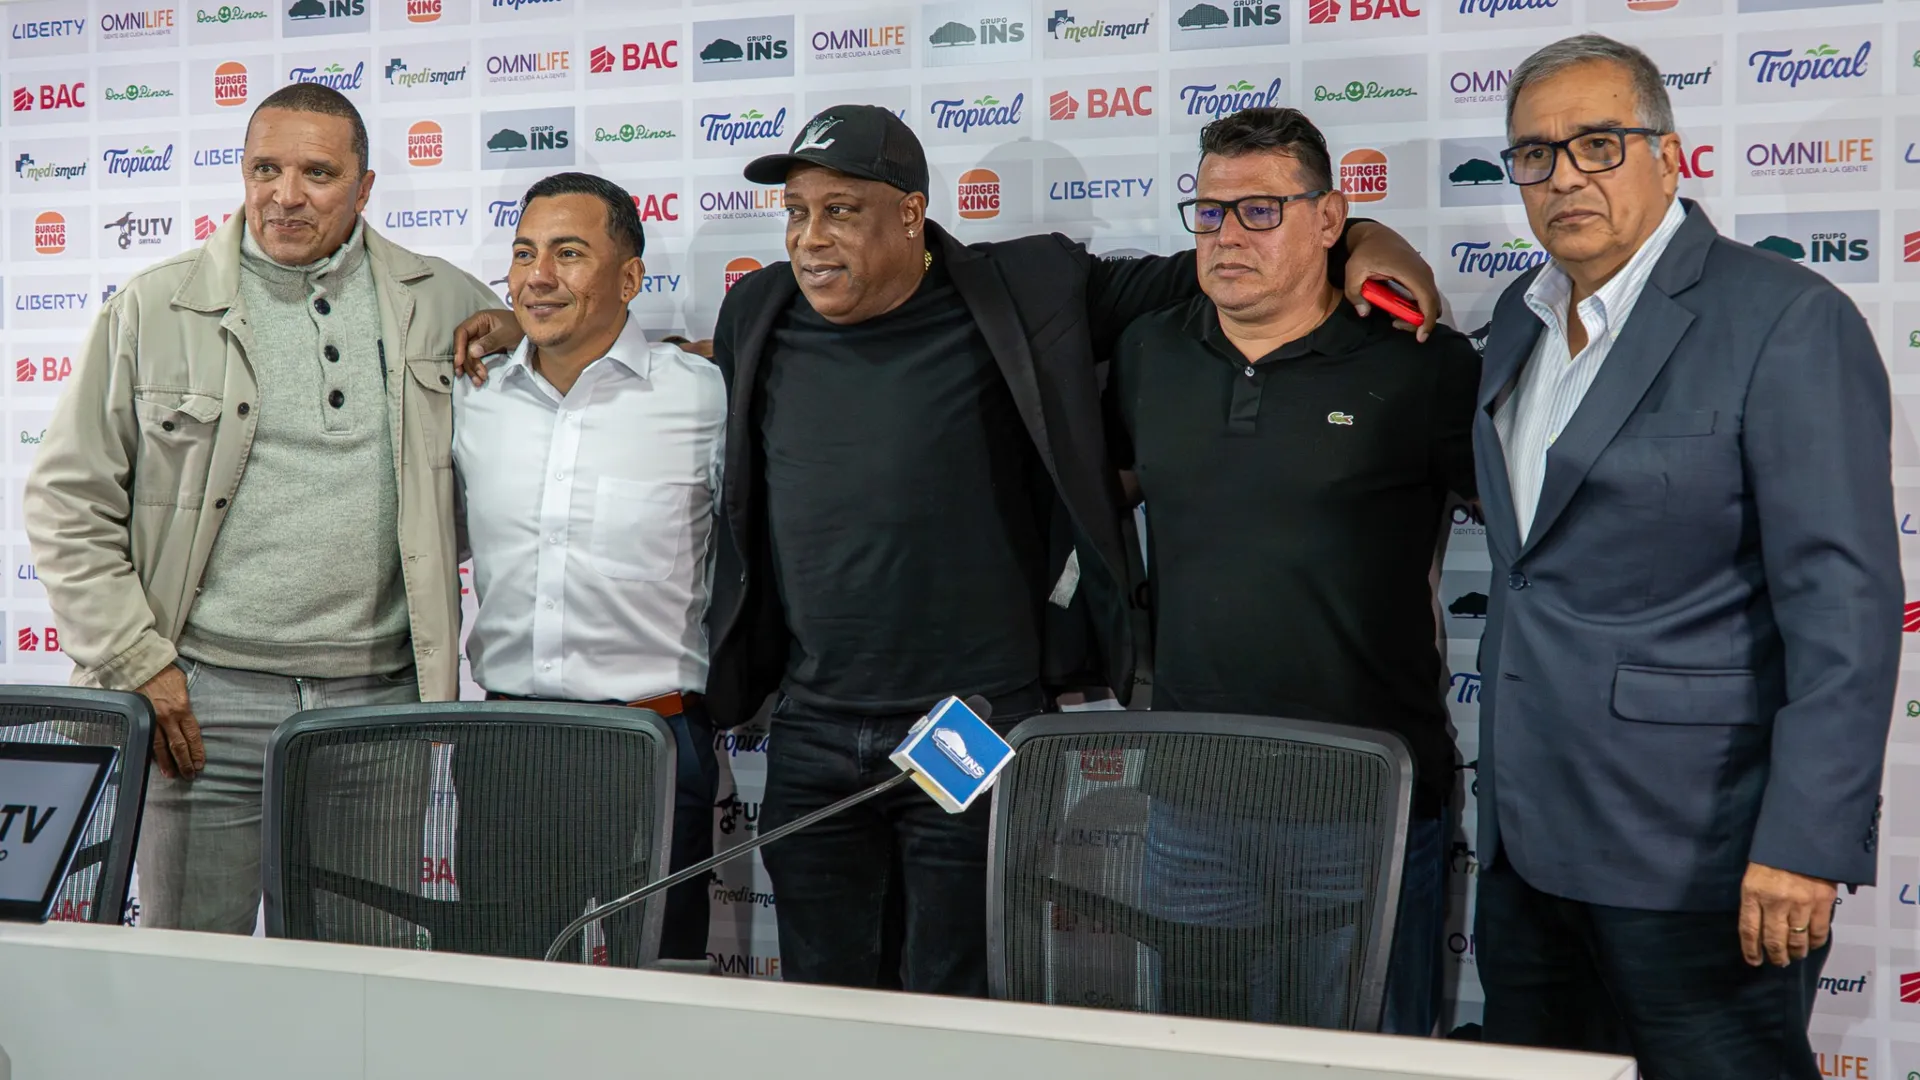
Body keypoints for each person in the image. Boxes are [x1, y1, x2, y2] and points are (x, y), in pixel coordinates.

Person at [454, 104, 1438, 995]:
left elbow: (1232, 258)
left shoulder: (1026, 289)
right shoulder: (759, 313)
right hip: (812, 734)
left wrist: (1366, 241)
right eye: (796, 213)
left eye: (840, 211)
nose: (810, 238)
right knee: (823, 1007)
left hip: (972, 729)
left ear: (911, 215)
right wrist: (520, 323)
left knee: (954, 1004)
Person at [1469, 35, 1898, 1077]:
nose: (1564, 175)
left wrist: (1804, 843)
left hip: (1702, 857)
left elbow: (1842, 609)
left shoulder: (1786, 318)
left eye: (1598, 143)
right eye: (1535, 153)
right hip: (1528, 849)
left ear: (1669, 156)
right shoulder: (1518, 322)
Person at [23, 83, 509, 934]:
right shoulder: (155, 307)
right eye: (265, 169)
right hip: (202, 705)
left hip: (379, 707)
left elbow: (555, 365)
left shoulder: (443, 300)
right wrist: (138, 661)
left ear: (364, 187)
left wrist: (524, 327)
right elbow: (68, 500)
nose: (286, 195)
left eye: (318, 173)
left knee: (364, 979)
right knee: (191, 971)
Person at [1108, 107, 1480, 1035]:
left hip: (1363, 802)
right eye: (1210, 211)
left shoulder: (1420, 366)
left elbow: (1538, 542)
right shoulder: (1150, 351)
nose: (1228, 234)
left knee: (1369, 1062)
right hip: (1191, 803)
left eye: (1262, 210)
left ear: (1329, 220)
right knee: (1200, 1060)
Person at [452, 172, 724, 962]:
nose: (539, 276)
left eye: (569, 254)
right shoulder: (471, 398)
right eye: (524, 254)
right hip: (506, 749)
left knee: (661, 992)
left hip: (654, 743)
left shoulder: (705, 398)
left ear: (630, 280)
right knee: (511, 992)